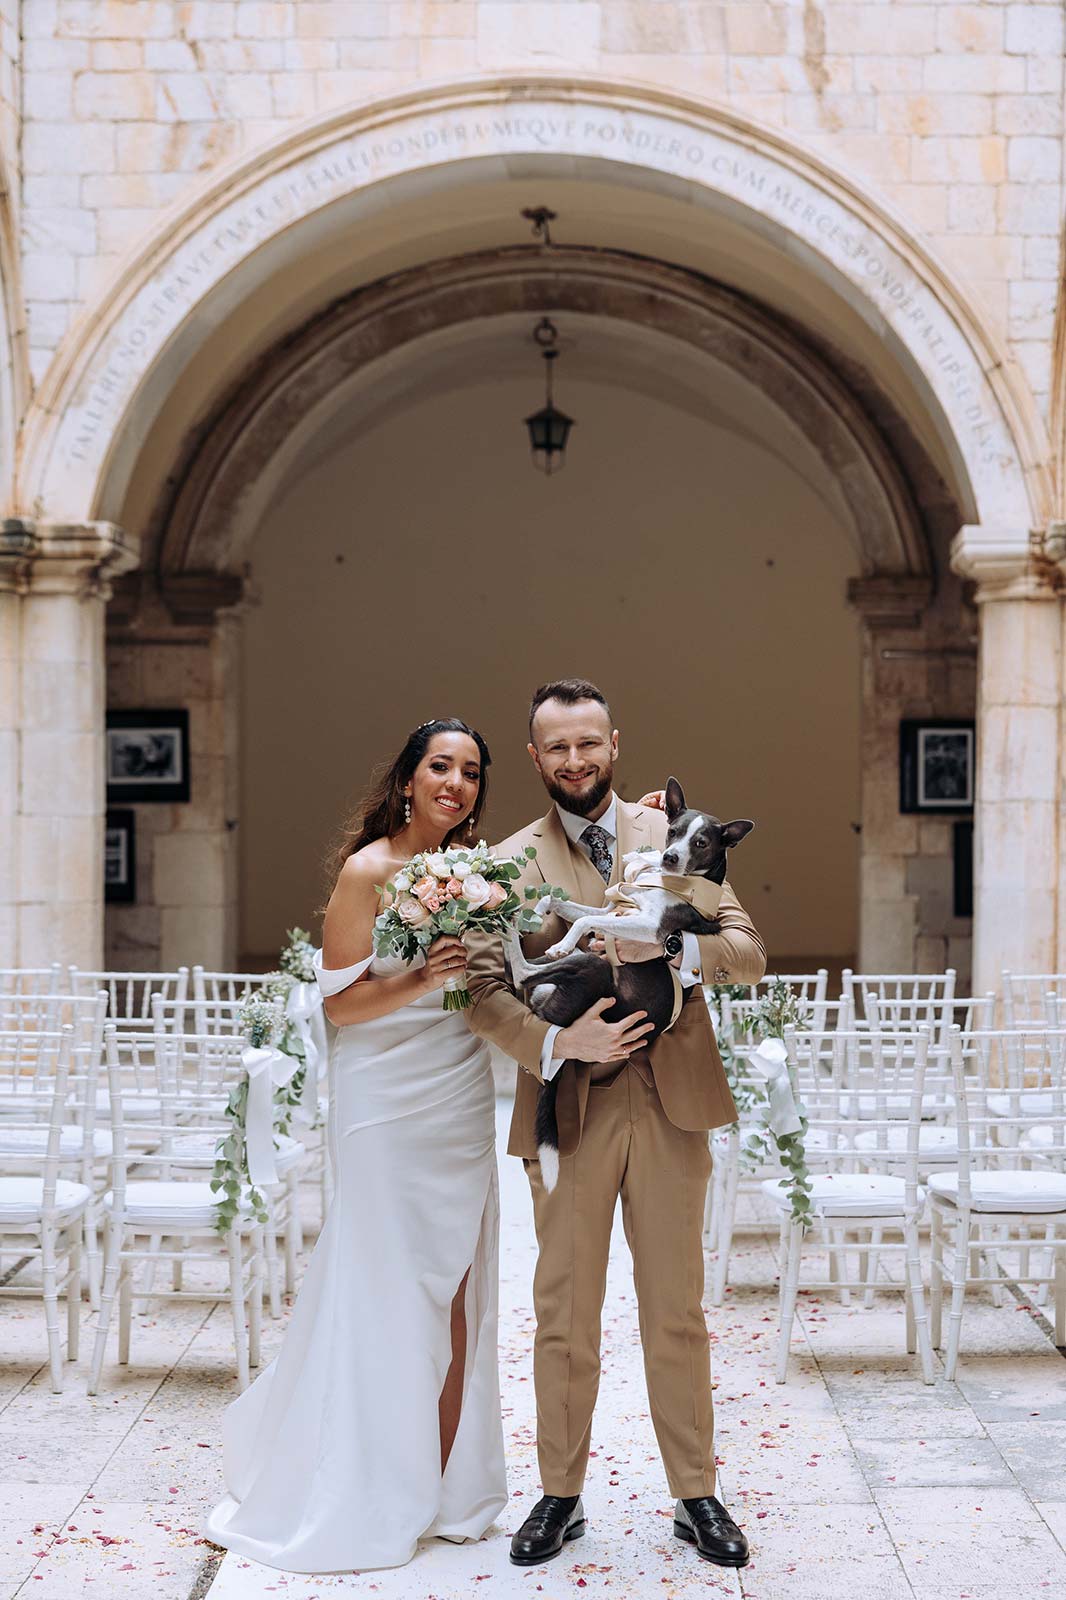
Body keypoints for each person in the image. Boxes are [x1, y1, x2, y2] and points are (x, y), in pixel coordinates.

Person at [465, 679, 766, 1570]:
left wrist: (673, 947)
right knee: (563, 1311)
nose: (574, 761)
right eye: (556, 747)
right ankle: (560, 1496)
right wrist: (562, 1038)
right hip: (570, 1106)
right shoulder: (508, 860)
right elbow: (481, 993)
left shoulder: (676, 832)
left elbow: (745, 951)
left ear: (614, 743)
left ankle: (695, 1496)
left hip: (672, 1105)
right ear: (534, 758)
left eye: (588, 743)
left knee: (677, 1310)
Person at [206, 718, 507, 1572]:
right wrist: (421, 975)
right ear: (407, 779)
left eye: (472, 772)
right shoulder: (367, 869)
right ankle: (371, 1484)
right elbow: (340, 1007)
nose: (456, 783)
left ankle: (445, 1487)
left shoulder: (482, 876)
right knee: (385, 1287)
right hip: (383, 1107)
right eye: (440, 767)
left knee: (455, 1289)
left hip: (456, 1094)